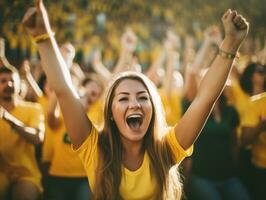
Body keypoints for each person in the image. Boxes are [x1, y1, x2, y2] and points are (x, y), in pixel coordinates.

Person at [22, 0, 249, 199]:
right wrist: (42, 37)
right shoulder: (95, 149)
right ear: (110, 111)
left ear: (153, 108)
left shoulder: (167, 148)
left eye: (143, 97)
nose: (134, 103)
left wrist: (230, 43)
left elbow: (204, 99)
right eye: (123, 98)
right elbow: (64, 90)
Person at [0, 66, 45, 200]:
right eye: (3, 81)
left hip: (26, 173)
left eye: (12, 81)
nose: (9, 84)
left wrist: (8, 118)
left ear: (20, 85)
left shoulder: (33, 109)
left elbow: (37, 138)